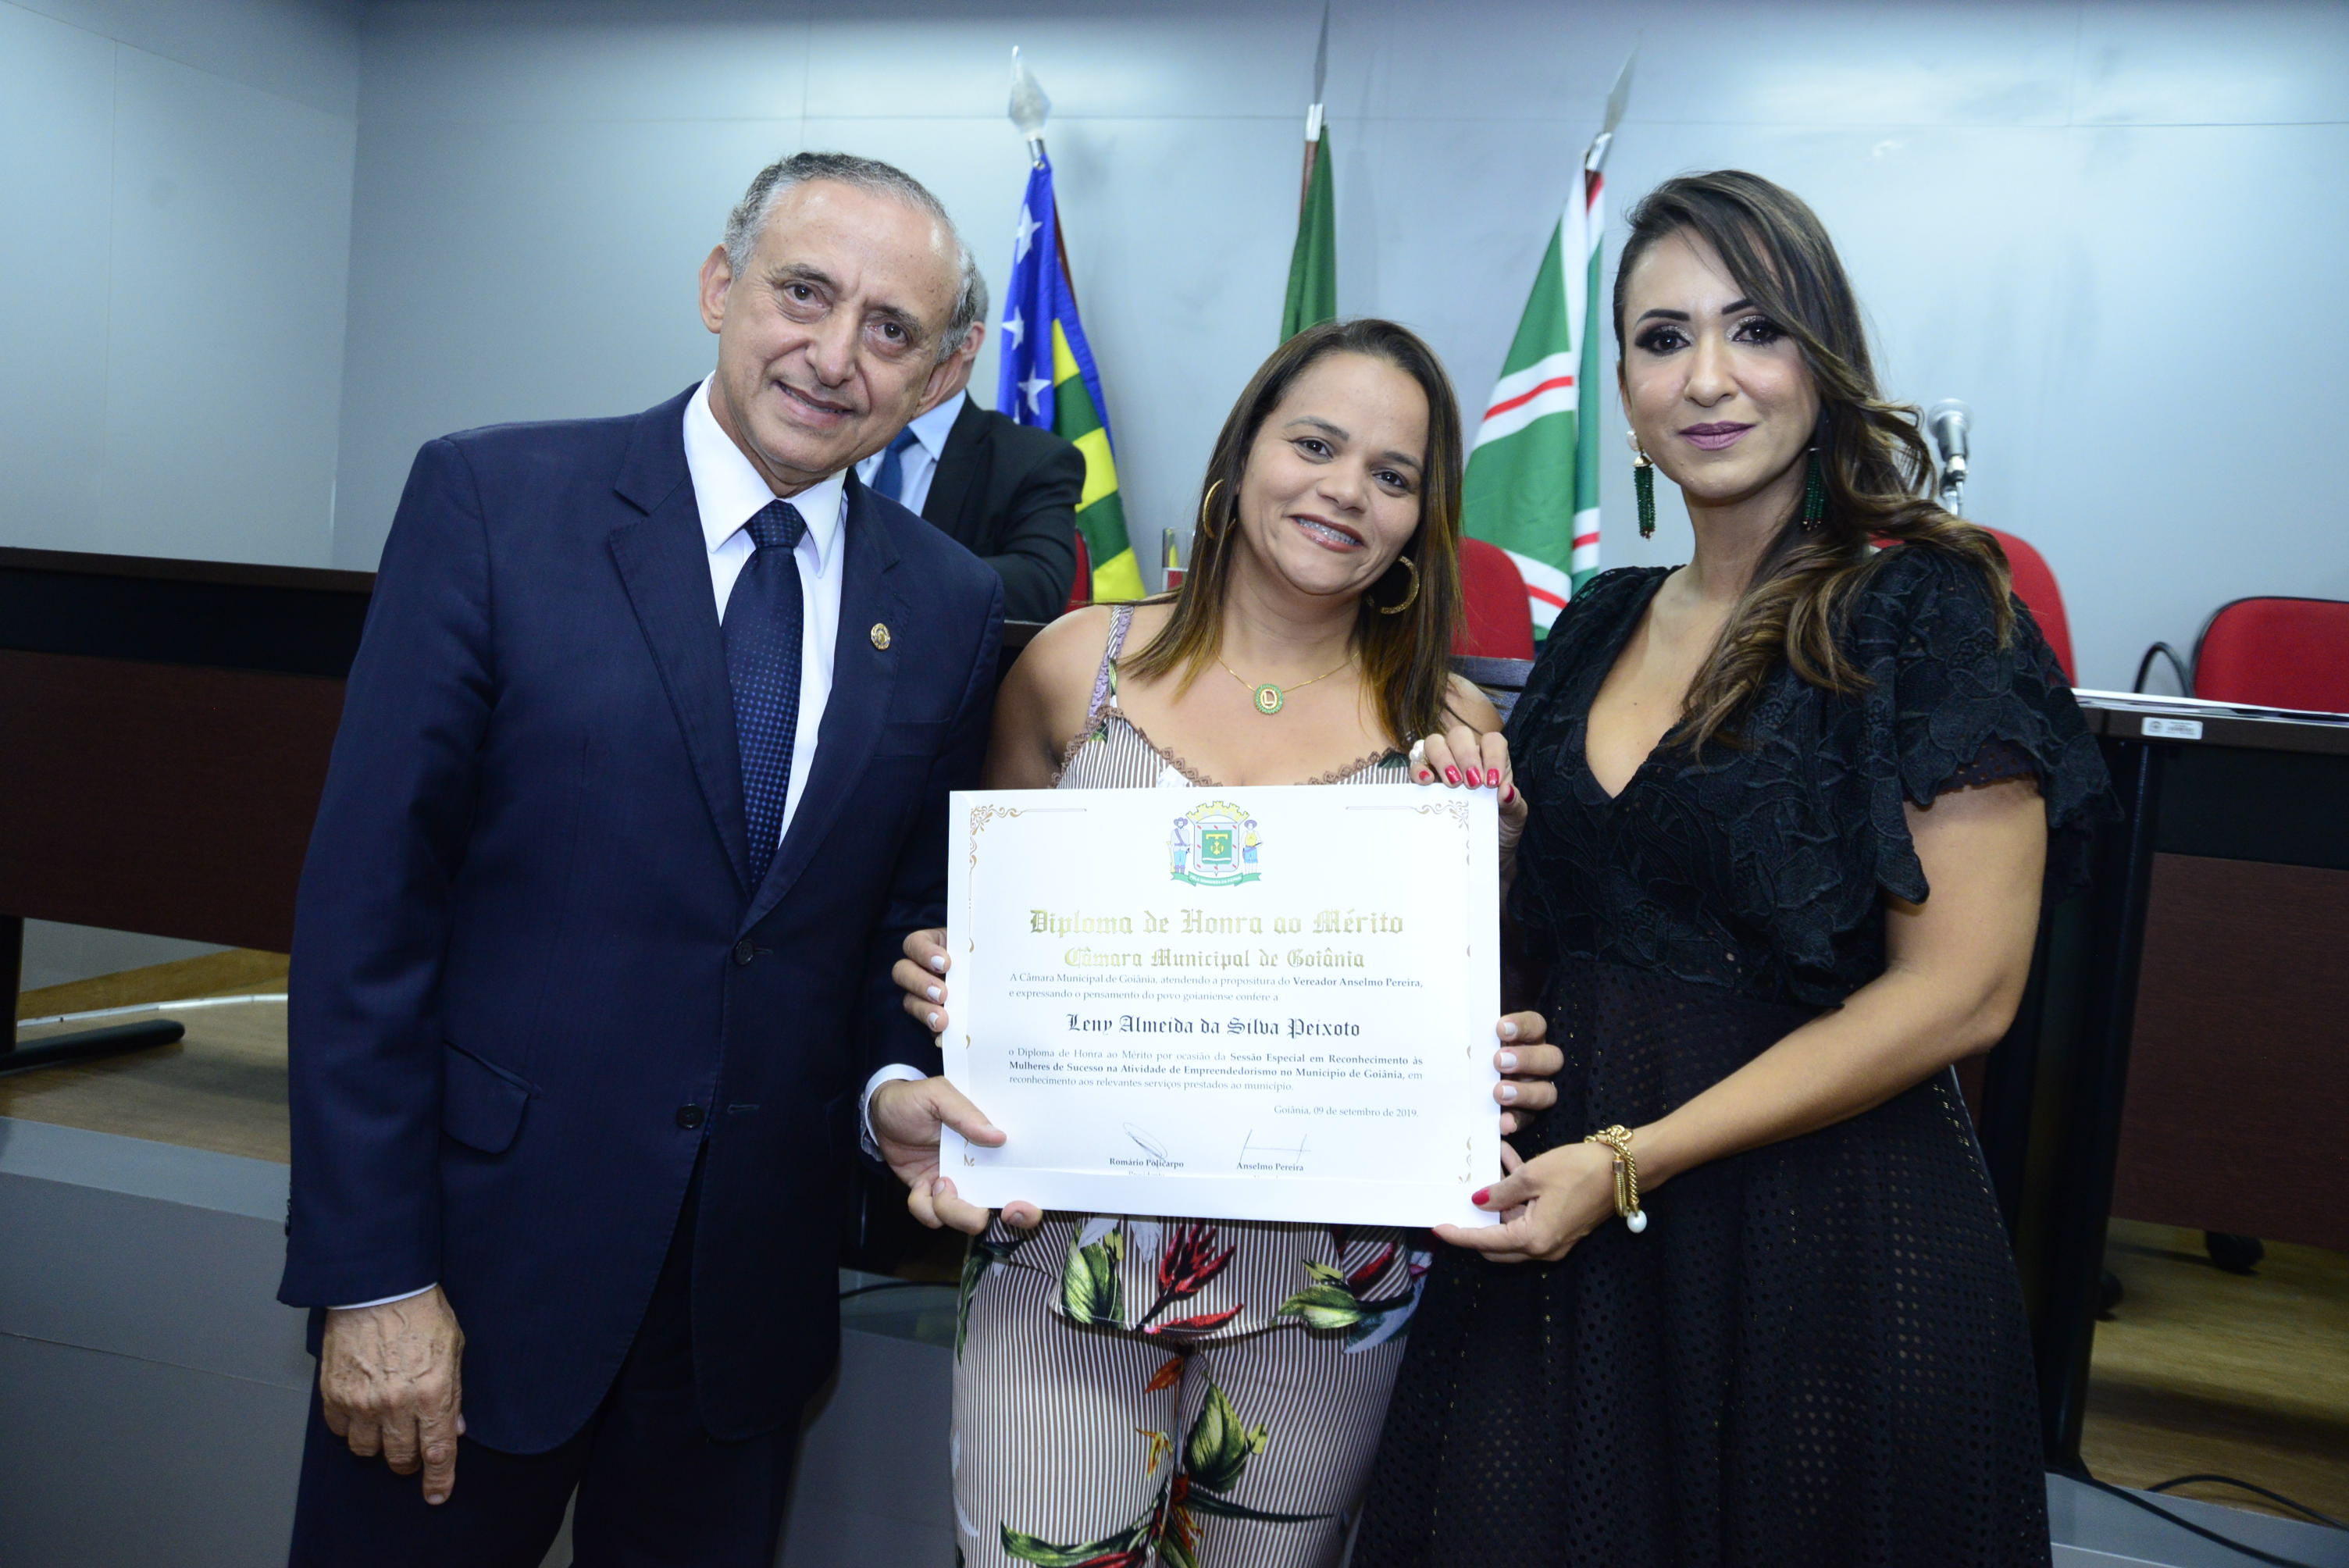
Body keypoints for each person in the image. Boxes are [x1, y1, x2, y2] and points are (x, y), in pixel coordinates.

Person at [1355, 171, 2114, 1566]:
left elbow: (1963, 993)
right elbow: (1571, 922)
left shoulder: (1933, 609)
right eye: (1662, 338)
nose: (1706, 376)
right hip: (1564, 1236)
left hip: (1816, 1241)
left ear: (1821, 361)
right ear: (1625, 393)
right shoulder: (1598, 620)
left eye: (1753, 328)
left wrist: (1631, 1161)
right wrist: (1492, 842)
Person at [276, 151, 1004, 1566]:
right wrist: (372, 1277)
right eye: (804, 293)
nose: (834, 355)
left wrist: (890, 1092)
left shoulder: (948, 600)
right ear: (720, 286)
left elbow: (890, 928)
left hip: (739, 1319)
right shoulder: (494, 500)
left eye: (890, 328)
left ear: (939, 372)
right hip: (467, 1280)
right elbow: (369, 912)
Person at [868, 319, 1562, 1568]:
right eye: (1316, 445)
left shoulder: (1450, 723)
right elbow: (987, 920)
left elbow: (1467, 1003)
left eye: (1393, 475)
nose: (1346, 491)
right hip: (1060, 1254)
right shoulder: (1074, 667)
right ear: (1242, 456)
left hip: (1334, 1293)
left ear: (1421, 520)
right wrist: (948, 978)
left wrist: (1494, 877)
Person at [856, 268, 1083, 621]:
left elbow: (1040, 586)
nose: (884, 344)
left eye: (902, 327)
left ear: (968, 342)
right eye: (886, 327)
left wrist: (884, 571)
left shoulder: (1033, 460)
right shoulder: (832, 424)